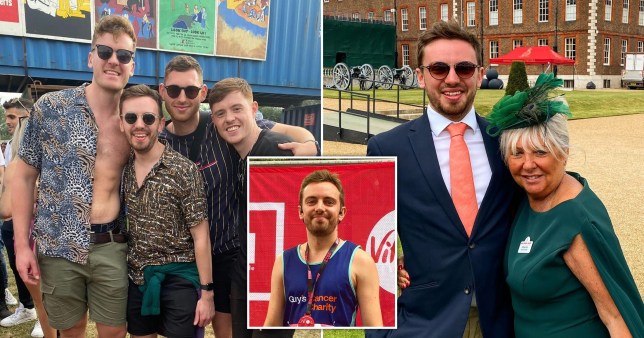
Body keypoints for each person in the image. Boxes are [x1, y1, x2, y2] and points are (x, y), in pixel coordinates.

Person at [366, 20, 519, 338]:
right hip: (426, 322)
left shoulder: (505, 142)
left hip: (501, 321)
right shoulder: (386, 148)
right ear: (420, 76)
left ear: (479, 73)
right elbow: (365, 239)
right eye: (438, 68)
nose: (452, 79)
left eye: (463, 68)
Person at [159, 55, 318, 338]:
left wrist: (309, 144)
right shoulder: (159, 141)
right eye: (174, 90)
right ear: (163, 92)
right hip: (186, 257)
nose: (182, 97)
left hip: (234, 252)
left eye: (191, 90)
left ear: (201, 93)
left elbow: (288, 134)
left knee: (232, 329)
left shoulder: (219, 125)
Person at [486, 73, 644, 338]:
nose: (528, 164)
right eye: (517, 153)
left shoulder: (575, 218)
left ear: (564, 153)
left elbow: (615, 315)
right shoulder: (529, 197)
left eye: (540, 151)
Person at [13, 15, 136, 337]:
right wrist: (21, 247)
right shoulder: (51, 107)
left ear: (132, 65)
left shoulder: (137, 118)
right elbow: (23, 176)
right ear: (91, 57)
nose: (114, 61)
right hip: (58, 246)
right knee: (71, 331)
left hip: (112, 244)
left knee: (114, 331)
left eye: (123, 55)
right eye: (106, 52)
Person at [118, 84, 215, 337]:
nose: (139, 124)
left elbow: (201, 236)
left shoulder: (183, 170)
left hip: (180, 278)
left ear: (160, 124)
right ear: (121, 123)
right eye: (131, 117)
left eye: (148, 118)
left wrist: (206, 293)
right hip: (138, 277)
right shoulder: (123, 168)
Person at [209, 77, 294, 338]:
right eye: (220, 113)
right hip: (246, 274)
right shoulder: (235, 155)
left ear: (254, 109)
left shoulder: (277, 150)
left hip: (278, 280)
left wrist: (312, 147)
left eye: (237, 109)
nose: (229, 119)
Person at [263, 170, 382, 327]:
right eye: (311, 201)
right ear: (300, 211)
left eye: (329, 202)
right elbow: (270, 328)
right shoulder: (283, 261)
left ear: (341, 213)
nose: (320, 208)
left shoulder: (361, 261)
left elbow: (375, 330)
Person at [0, 98, 56, 338]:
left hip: (35, 236)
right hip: (46, 235)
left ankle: (42, 324)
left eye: (14, 118)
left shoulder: (17, 165)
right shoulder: (55, 160)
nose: (9, 122)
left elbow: (4, 209)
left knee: (44, 299)